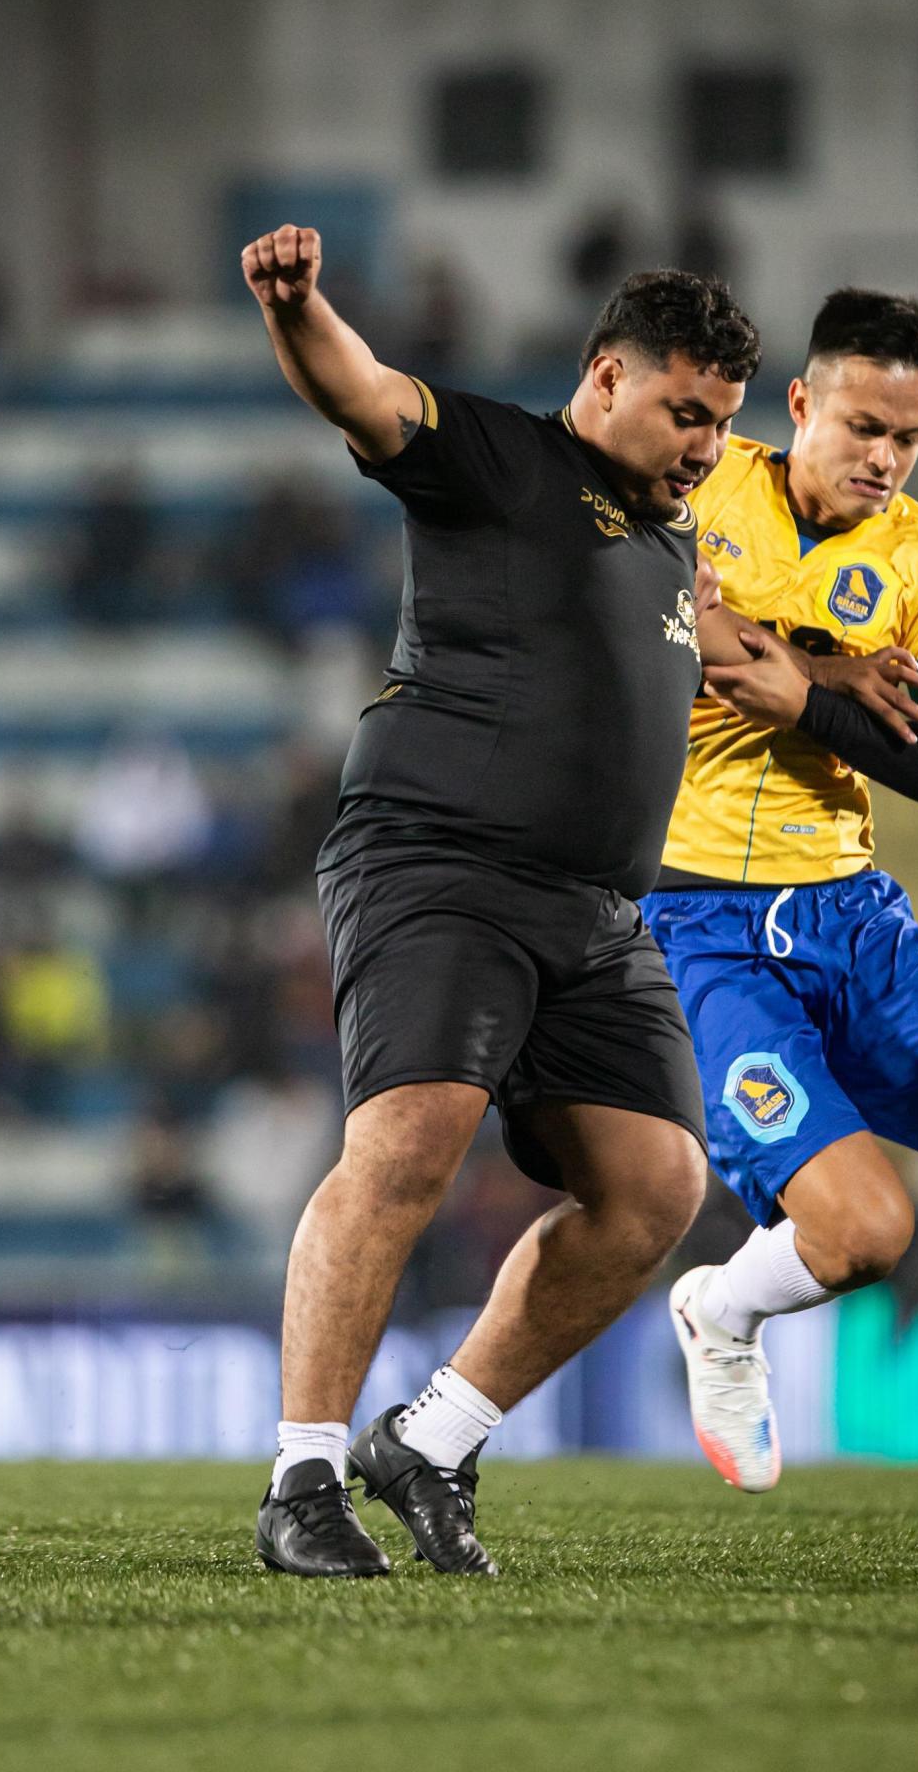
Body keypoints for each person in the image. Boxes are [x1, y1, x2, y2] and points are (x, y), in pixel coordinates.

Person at [239, 223, 797, 1580]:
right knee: (411, 1144)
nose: (703, 447)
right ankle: (301, 1478)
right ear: (605, 377)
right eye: (684, 412)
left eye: (720, 424)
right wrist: (300, 306)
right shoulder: (494, 458)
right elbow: (360, 391)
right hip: (441, 862)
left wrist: (854, 683)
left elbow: (753, 664)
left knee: (655, 1189)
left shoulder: (672, 558)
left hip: (596, 913)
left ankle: (431, 1441)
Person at [640, 288, 918, 1491]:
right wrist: (809, 668)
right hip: (709, 921)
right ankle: (720, 1309)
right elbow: (663, 642)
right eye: (862, 427)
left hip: (855, 918)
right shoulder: (698, 493)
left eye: (908, 437)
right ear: (798, 405)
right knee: (862, 1235)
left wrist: (809, 702)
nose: (883, 458)